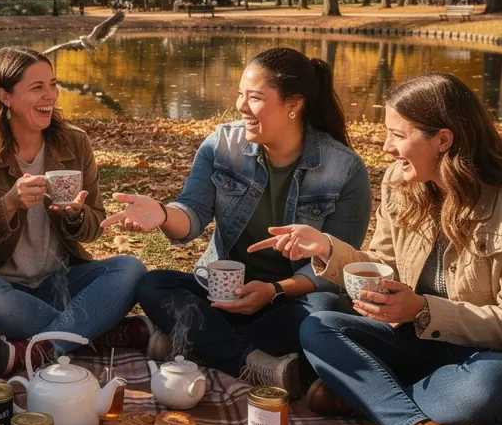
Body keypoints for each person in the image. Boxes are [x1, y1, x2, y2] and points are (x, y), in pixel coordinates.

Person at [252, 73, 502, 425]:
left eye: (398, 134)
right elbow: (380, 263)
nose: (386, 147)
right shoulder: (403, 182)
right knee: (320, 326)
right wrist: (325, 247)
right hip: (419, 344)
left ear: (443, 140)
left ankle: (364, 394)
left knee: (489, 388)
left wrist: (424, 309)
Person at [105, 47, 372, 396]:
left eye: (255, 97)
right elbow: (193, 213)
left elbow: (336, 264)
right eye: (240, 95)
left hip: (287, 301)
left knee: (325, 312)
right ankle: (253, 362)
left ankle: (189, 343)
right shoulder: (221, 144)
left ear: (294, 104)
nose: (241, 106)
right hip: (220, 293)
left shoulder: (345, 170)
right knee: (154, 284)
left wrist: (273, 291)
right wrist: (163, 213)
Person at [0, 46, 157, 374]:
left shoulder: (74, 142)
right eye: (37, 87)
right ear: (5, 96)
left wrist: (74, 215)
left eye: (53, 84)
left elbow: (96, 224)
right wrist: (9, 204)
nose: (51, 96)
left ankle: (44, 348)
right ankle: (103, 333)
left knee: (129, 269)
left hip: (61, 283)